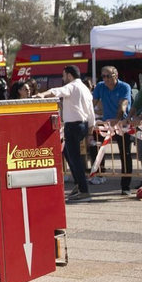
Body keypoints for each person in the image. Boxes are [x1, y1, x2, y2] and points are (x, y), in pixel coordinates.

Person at [44, 65, 96, 200]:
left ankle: (83, 190)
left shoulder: (72, 86)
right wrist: (90, 130)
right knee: (68, 153)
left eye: (63, 75)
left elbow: (58, 91)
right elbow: (91, 112)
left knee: (75, 158)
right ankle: (79, 186)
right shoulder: (85, 88)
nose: (62, 78)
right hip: (82, 125)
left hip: (73, 126)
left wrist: (42, 94)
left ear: (69, 75)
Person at [91, 65, 134, 190]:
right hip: (106, 124)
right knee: (94, 144)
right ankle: (98, 173)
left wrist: (117, 118)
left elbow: (123, 104)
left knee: (124, 153)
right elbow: (92, 103)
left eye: (108, 76)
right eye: (103, 76)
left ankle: (125, 186)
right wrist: (87, 116)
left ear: (116, 75)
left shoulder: (124, 86)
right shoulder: (100, 86)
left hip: (122, 124)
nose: (106, 79)